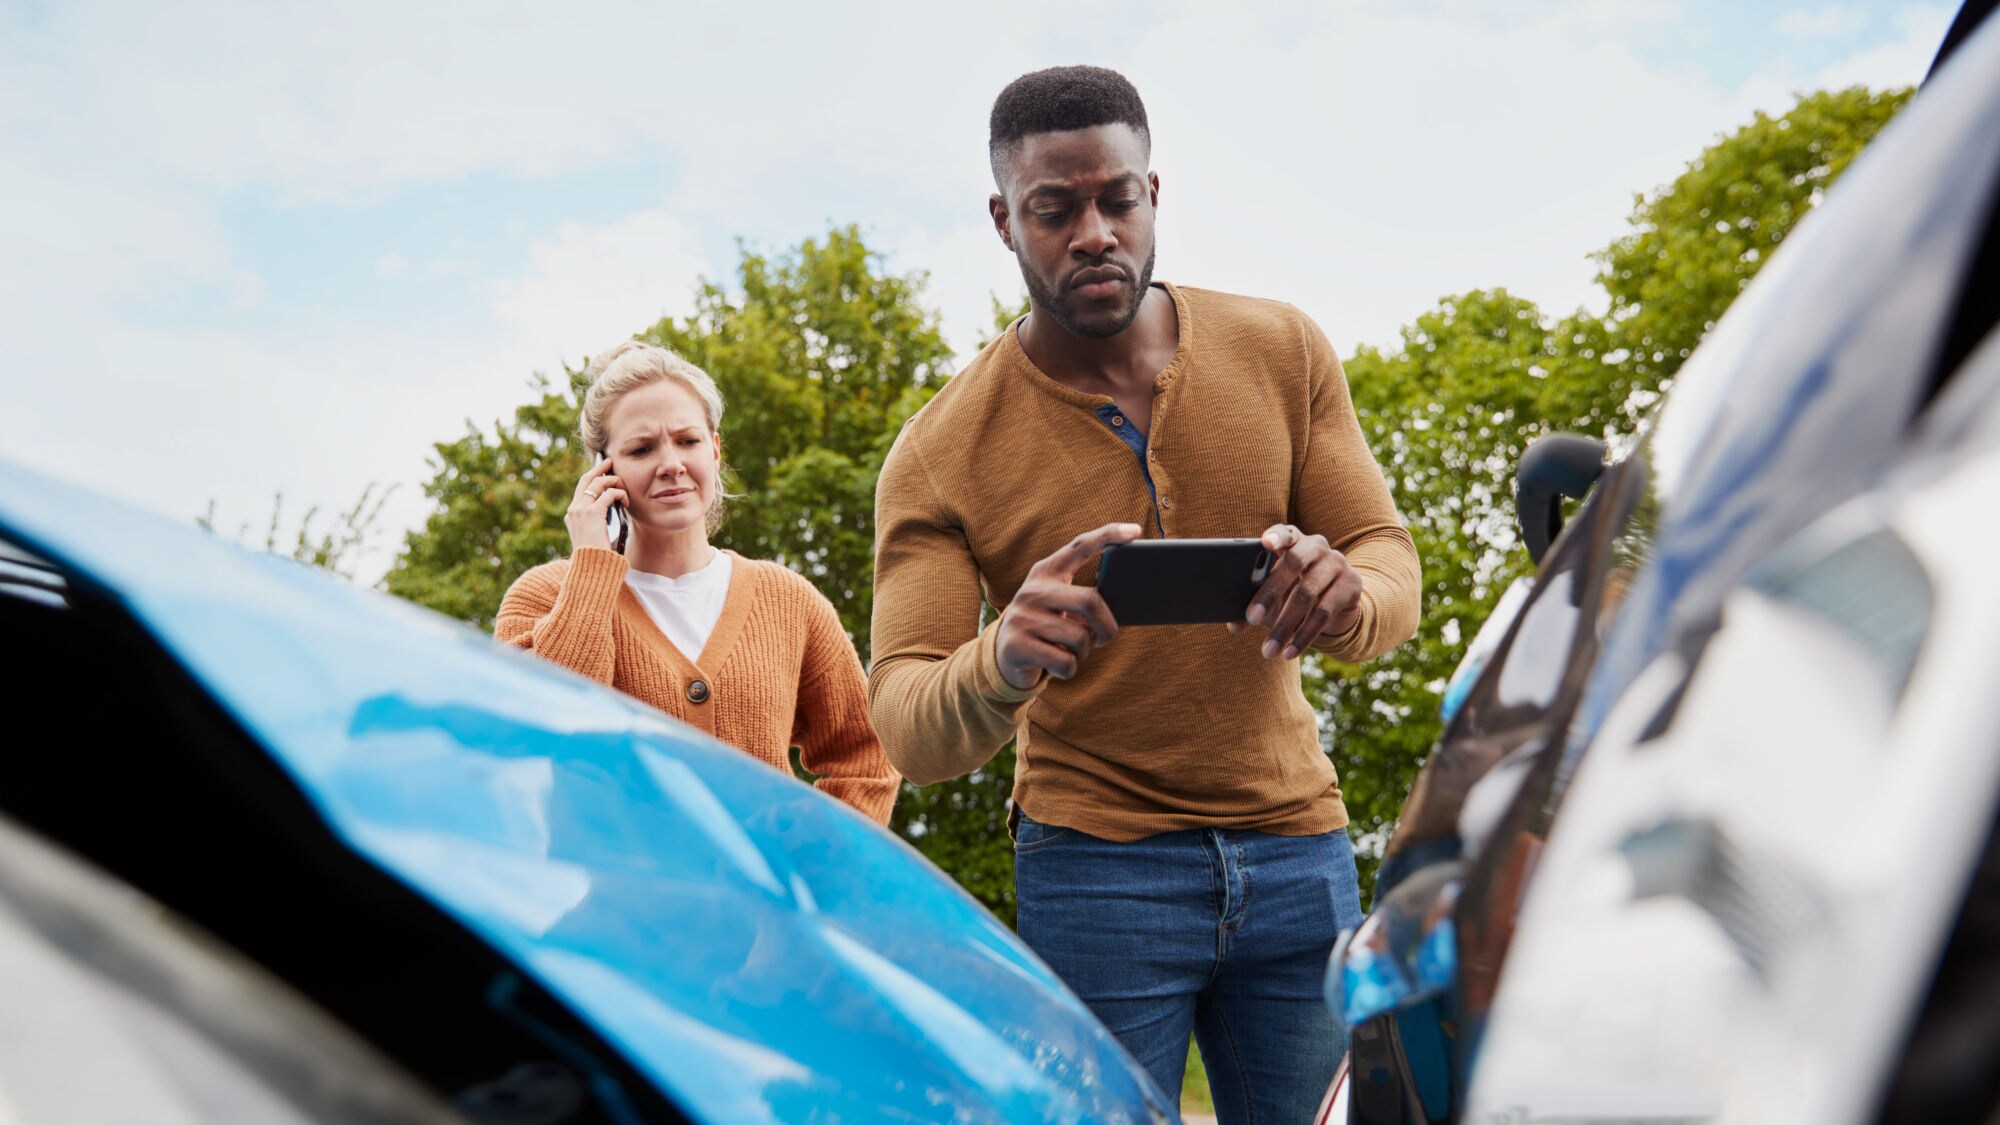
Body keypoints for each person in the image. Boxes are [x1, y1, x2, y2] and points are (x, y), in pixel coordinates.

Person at [867, 66, 1420, 1120]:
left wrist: (1341, 591)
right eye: (1053, 208)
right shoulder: (938, 453)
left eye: (1115, 200)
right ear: (1002, 220)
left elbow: (1387, 561)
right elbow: (907, 726)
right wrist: (1001, 659)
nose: (1092, 232)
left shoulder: (1282, 348)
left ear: (1151, 195)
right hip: (1095, 874)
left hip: (1298, 850)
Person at [497, 340, 899, 825]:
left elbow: (865, 759)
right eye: (642, 448)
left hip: (762, 901)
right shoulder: (543, 597)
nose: (671, 463)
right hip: (612, 898)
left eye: (687, 441)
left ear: (714, 448)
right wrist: (590, 565)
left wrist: (816, 866)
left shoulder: (789, 601)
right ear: (605, 470)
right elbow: (549, 734)